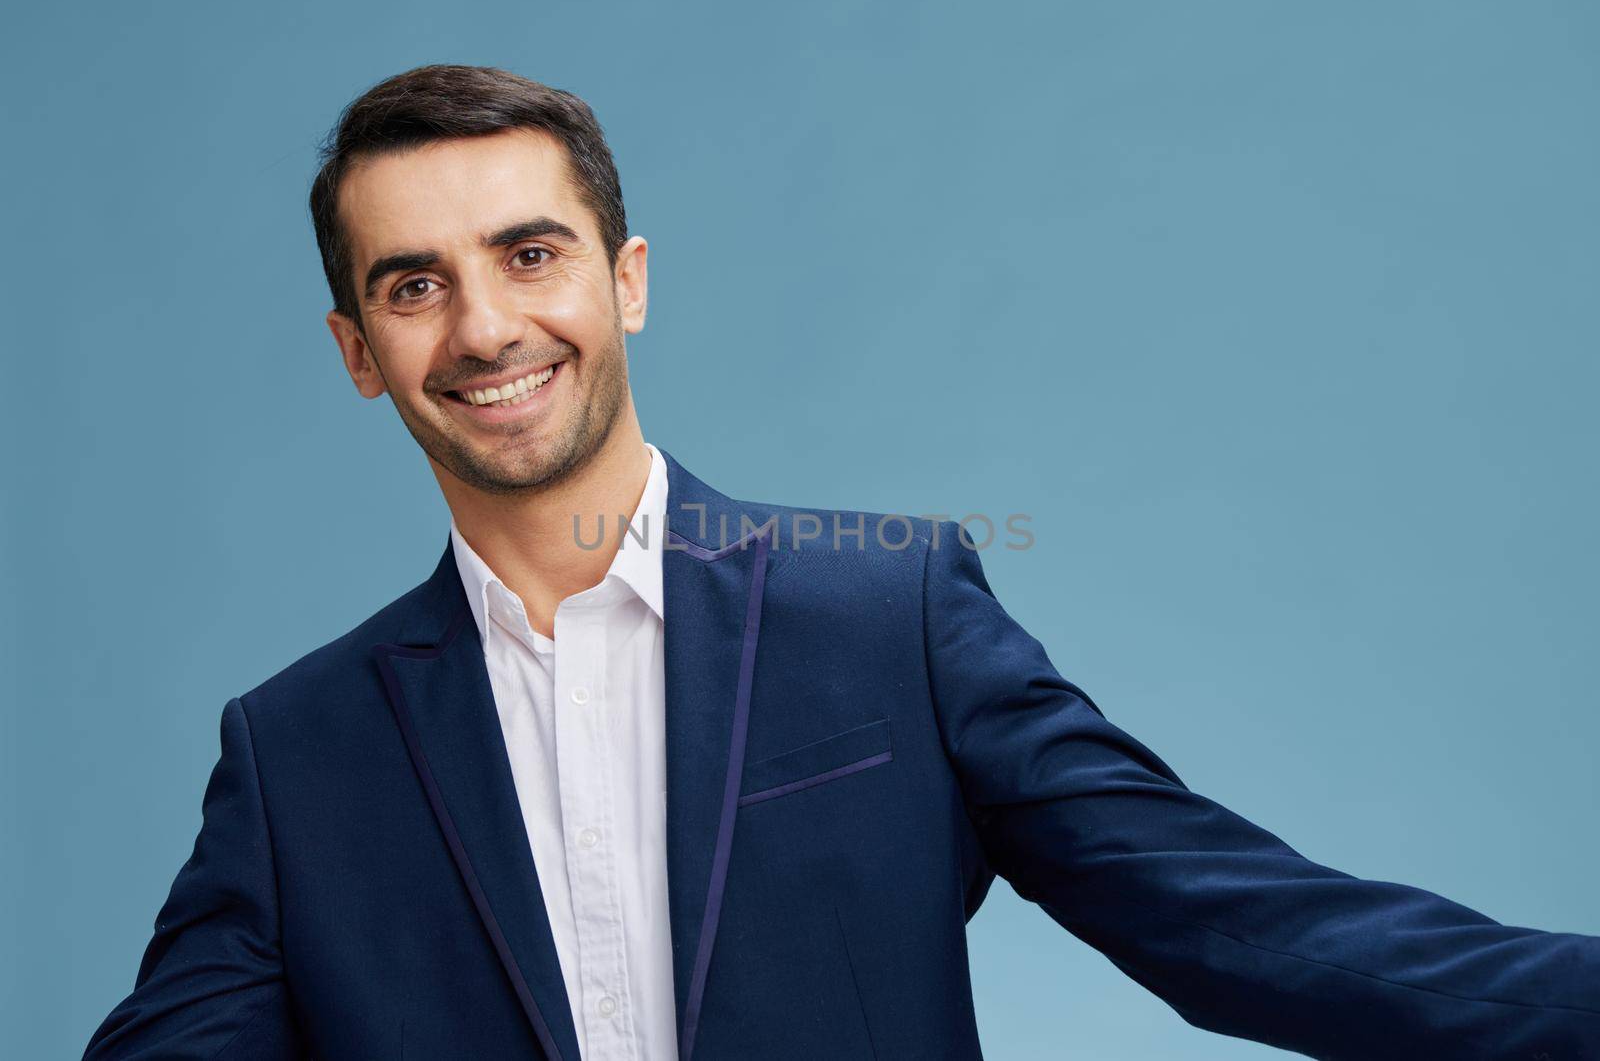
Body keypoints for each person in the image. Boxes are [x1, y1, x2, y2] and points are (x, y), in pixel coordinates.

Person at [83, 63, 1599, 1061]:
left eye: (530, 255)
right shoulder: (296, 753)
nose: (483, 328)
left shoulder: (890, 611)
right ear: (359, 353)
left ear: (628, 280)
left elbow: (1241, 923)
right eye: (415, 286)